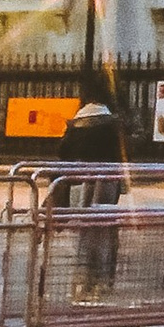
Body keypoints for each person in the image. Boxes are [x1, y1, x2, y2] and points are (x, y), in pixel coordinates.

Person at [54, 94, 127, 296]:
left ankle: (81, 280)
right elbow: (121, 154)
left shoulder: (75, 125)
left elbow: (62, 153)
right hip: (107, 183)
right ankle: (103, 281)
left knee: (83, 232)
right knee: (105, 232)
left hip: (78, 183)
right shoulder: (112, 125)